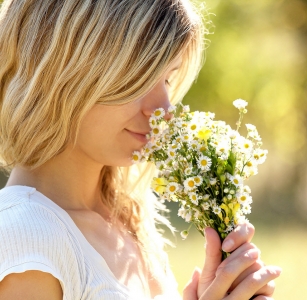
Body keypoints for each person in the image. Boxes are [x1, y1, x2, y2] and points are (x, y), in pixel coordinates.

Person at [0, 0, 281, 299]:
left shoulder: (127, 220)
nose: (164, 109)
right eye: (139, 78)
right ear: (63, 70)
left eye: (167, 79)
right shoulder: (25, 237)